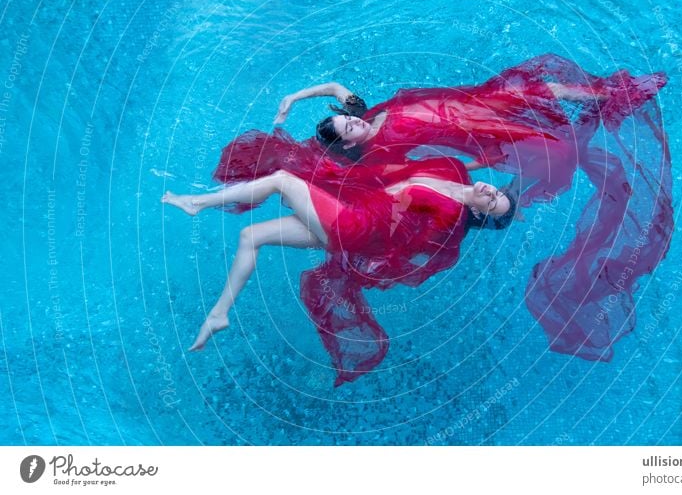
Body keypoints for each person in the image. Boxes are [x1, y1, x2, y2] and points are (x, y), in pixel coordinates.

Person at [213, 53, 673, 367]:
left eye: (347, 116)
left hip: (465, 103)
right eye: (345, 127)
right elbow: (402, 184)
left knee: (532, 89)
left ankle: (610, 93)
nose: (352, 120)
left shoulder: (364, 111)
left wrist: (294, 98)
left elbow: (336, 86)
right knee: (539, 144)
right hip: (466, 131)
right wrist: (471, 172)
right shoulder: (375, 159)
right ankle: (534, 181)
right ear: (346, 144)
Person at [163, 155, 516, 386]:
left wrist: (371, 245)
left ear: (482, 215)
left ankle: (196, 203)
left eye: (491, 202)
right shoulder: (457, 172)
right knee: (251, 236)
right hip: (352, 211)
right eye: (495, 191)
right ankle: (219, 314)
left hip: (354, 225)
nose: (488, 191)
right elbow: (406, 170)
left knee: (282, 179)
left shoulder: (450, 220)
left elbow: (410, 246)